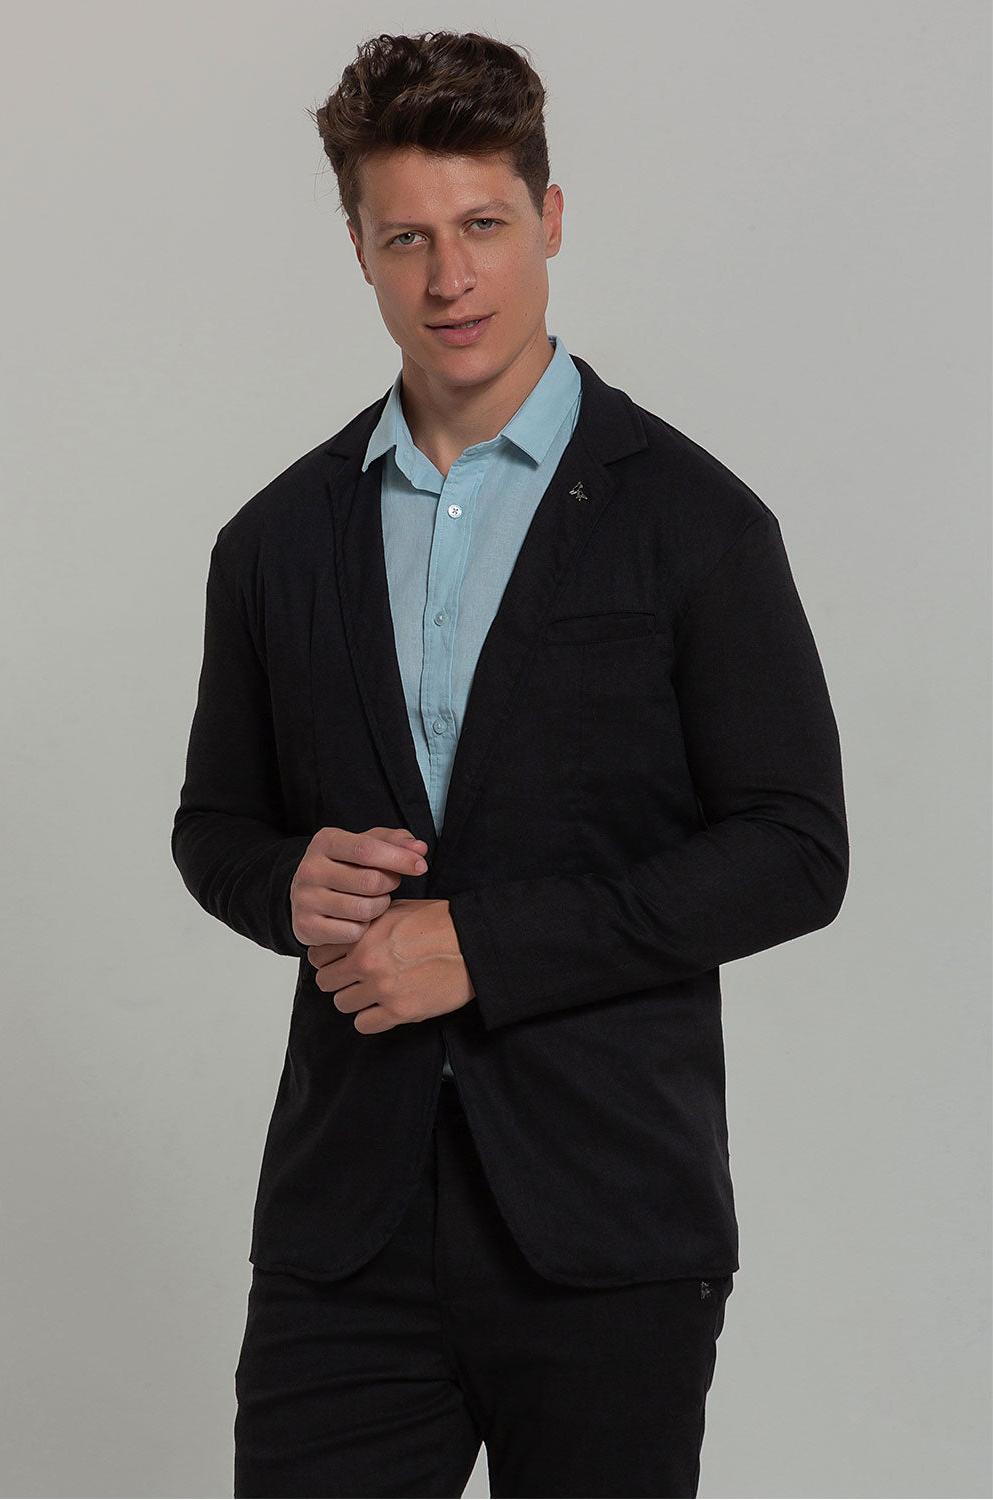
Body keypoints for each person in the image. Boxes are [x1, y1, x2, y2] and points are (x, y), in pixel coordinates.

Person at [172, 30, 849, 1500]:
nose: (449, 278)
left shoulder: (697, 523)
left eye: (481, 225)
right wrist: (285, 883)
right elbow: (214, 823)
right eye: (406, 237)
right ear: (360, 250)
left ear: (549, 218)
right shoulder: (276, 540)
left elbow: (795, 848)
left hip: (608, 1226)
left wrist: (484, 946)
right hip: (343, 1235)